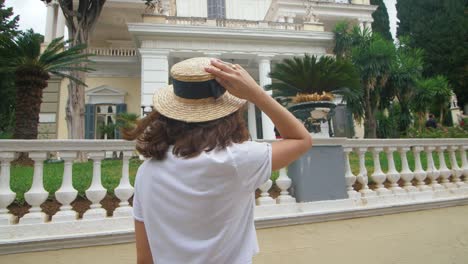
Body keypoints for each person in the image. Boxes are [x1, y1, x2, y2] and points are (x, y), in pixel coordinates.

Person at [124, 57, 312, 264]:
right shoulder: (238, 161)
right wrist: (256, 94)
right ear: (228, 114)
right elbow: (300, 139)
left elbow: (144, 258)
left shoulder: (147, 172)